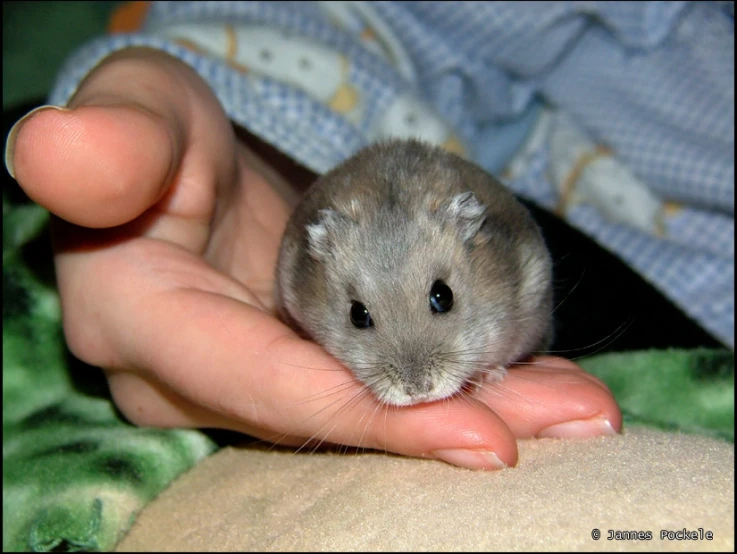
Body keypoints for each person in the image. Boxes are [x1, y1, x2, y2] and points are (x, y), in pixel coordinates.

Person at [18, 0, 734, 470]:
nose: (416, 374)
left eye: (438, 301)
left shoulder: (494, 254)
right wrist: (248, 139)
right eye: (361, 316)